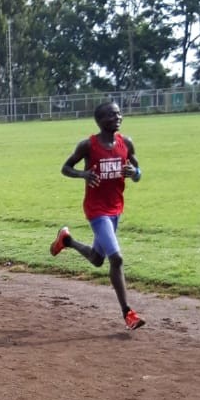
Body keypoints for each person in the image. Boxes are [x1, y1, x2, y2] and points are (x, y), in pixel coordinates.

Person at [49, 100, 145, 330]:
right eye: (112, 115)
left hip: (115, 208)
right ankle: (128, 313)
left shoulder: (126, 143)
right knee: (116, 259)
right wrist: (83, 174)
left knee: (97, 259)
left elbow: (138, 172)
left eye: (119, 114)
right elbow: (65, 168)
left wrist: (135, 172)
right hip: (96, 210)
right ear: (100, 121)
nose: (118, 117)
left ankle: (67, 240)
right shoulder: (88, 146)